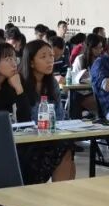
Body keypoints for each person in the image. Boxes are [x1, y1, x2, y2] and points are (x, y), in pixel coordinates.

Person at [18, 40, 75, 184]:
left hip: (48, 137)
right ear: (31, 62)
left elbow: (59, 116)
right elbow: (23, 119)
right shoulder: (19, 83)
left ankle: (60, 193)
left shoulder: (52, 83)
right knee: (63, 149)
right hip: (26, 141)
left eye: (51, 56)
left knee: (66, 147)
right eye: (43, 57)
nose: (50, 60)